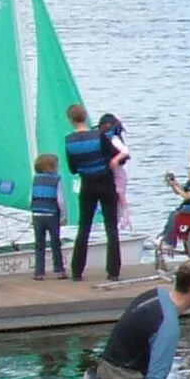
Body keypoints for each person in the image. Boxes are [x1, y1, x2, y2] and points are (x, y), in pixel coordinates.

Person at [63, 103, 122, 282]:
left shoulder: (69, 141)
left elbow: (73, 169)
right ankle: (113, 271)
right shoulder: (99, 136)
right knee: (111, 227)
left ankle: (77, 271)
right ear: (85, 116)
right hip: (105, 181)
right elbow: (114, 154)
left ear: (70, 120)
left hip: (86, 184)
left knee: (84, 227)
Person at [29, 152, 64, 280]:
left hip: (37, 215)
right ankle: (59, 270)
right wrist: (63, 216)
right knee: (55, 243)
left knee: (39, 244)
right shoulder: (56, 179)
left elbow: (30, 197)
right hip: (51, 214)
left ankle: (39, 272)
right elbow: (60, 199)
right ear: (51, 166)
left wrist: (33, 211)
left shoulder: (35, 178)